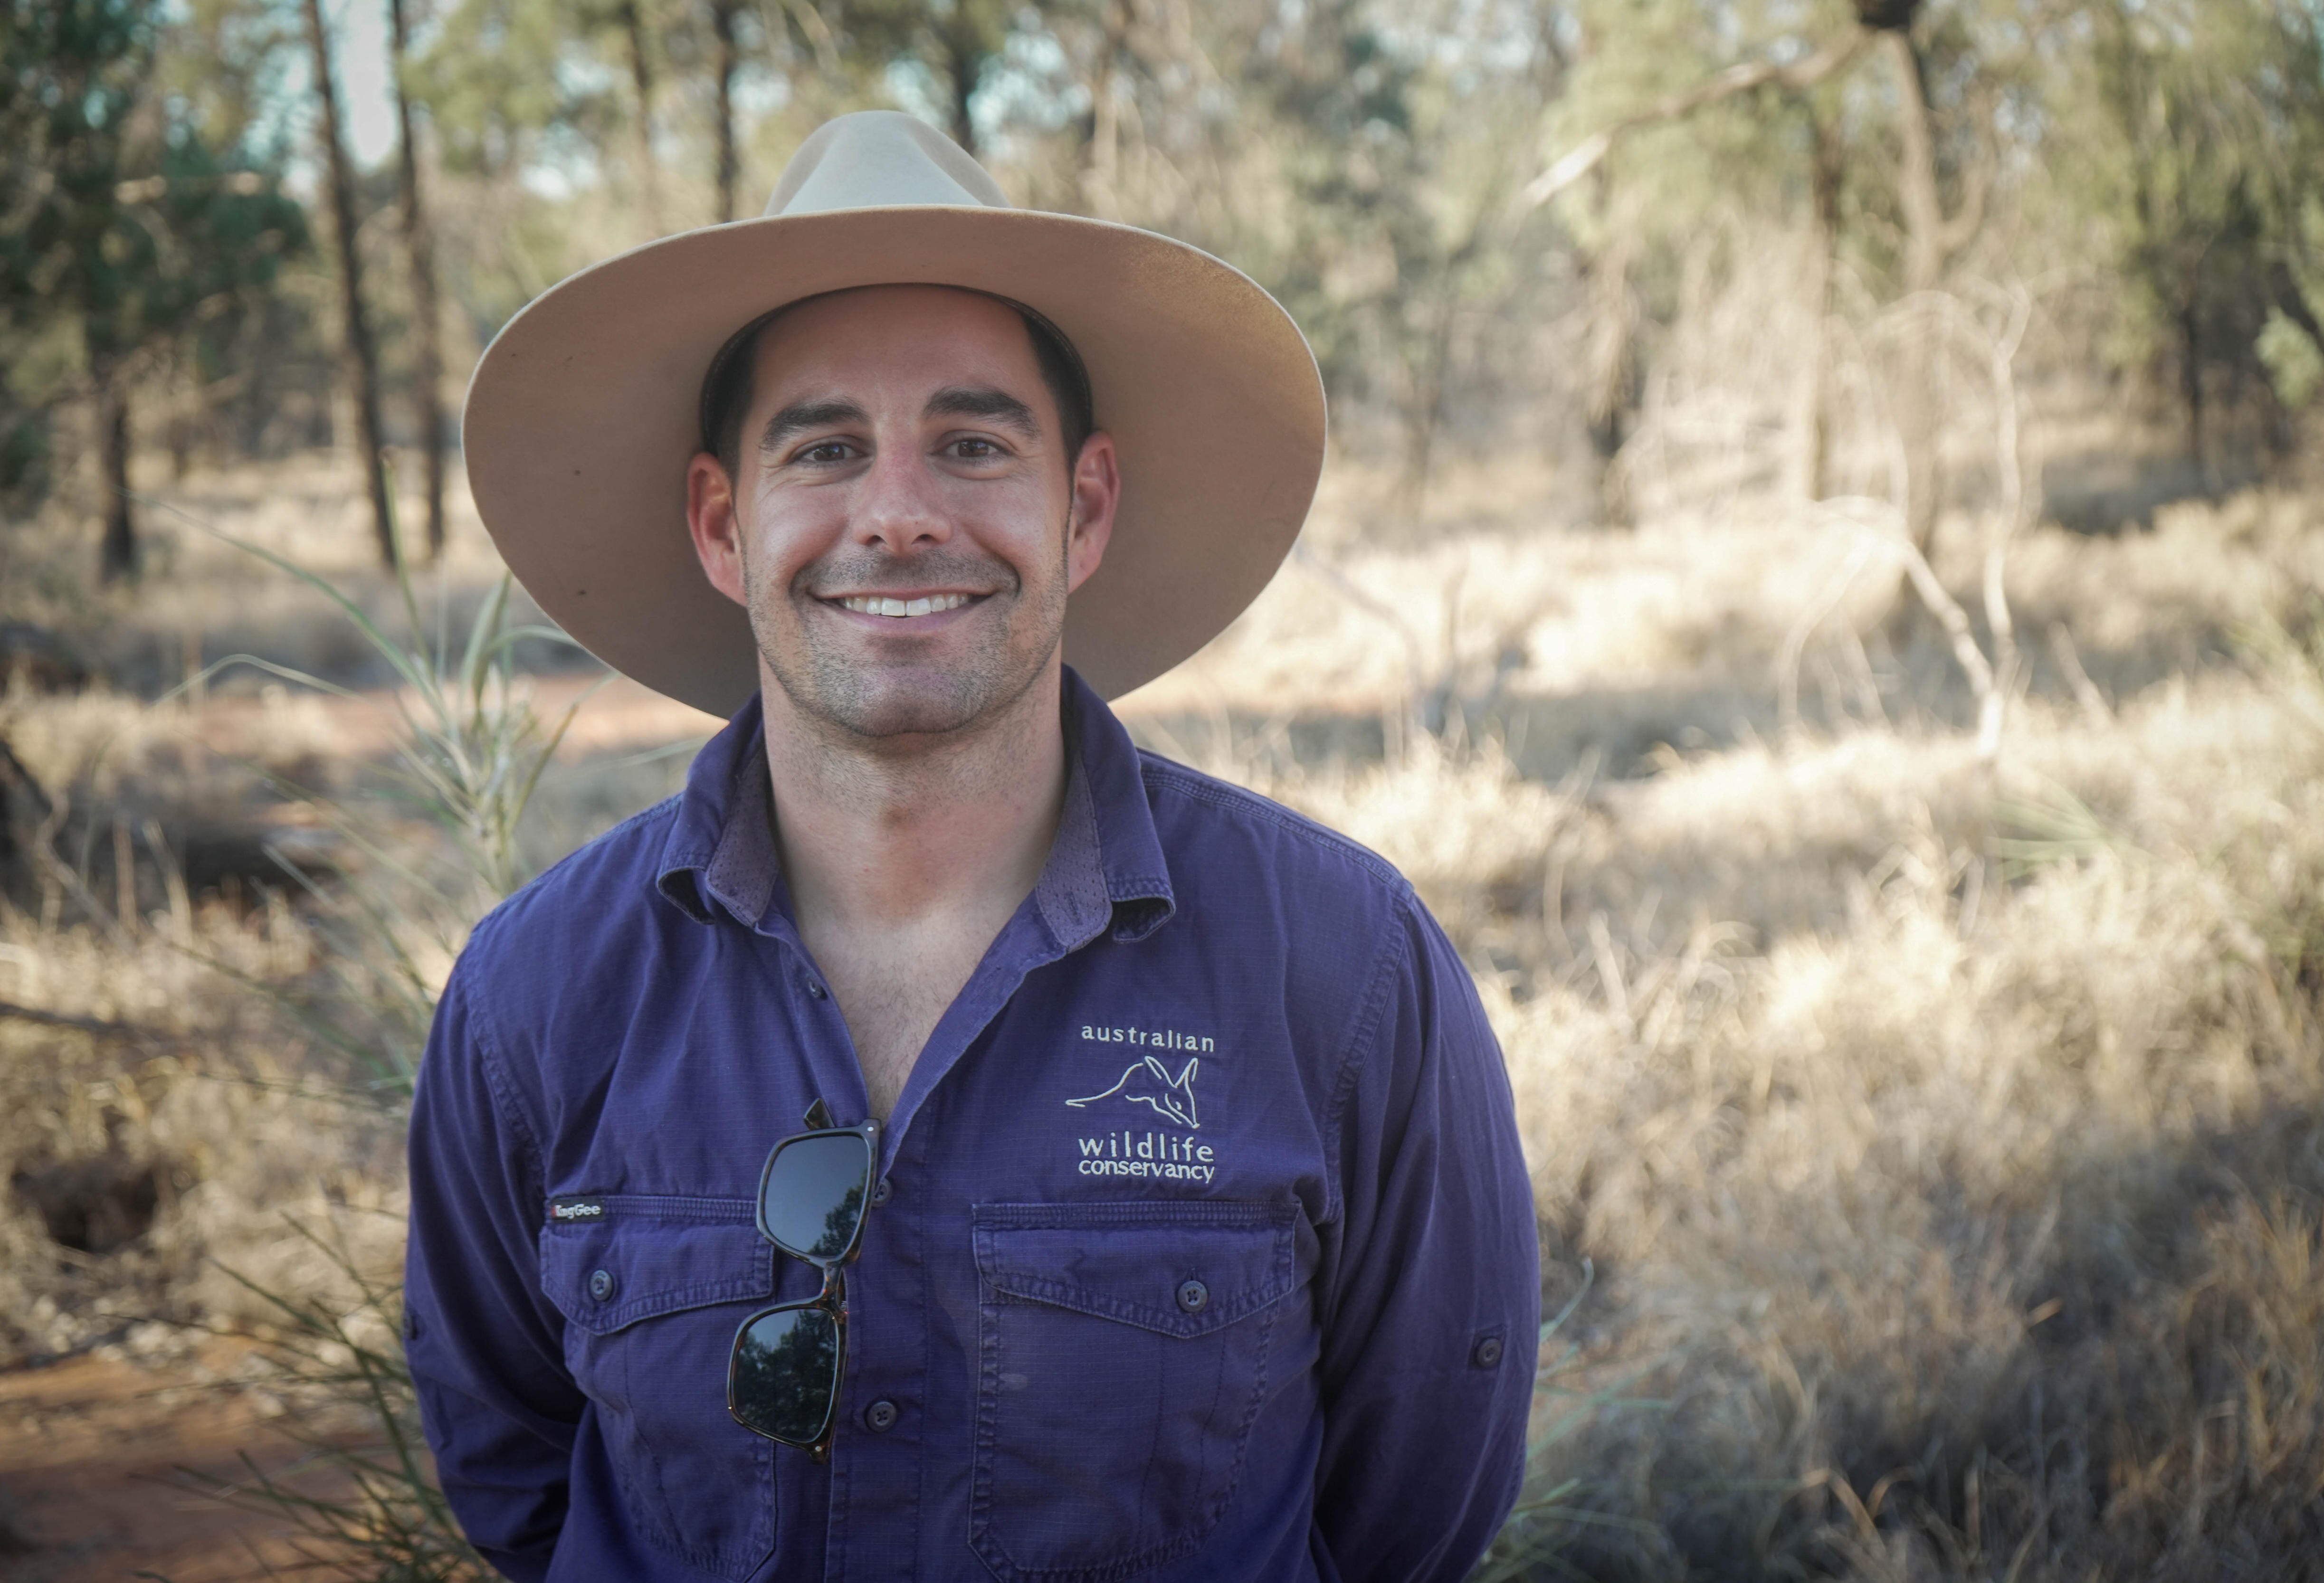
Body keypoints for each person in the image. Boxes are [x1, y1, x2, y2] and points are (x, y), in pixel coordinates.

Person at [402, 110, 1537, 1583]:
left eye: (974, 444)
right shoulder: (539, 994)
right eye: (825, 449)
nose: (898, 515)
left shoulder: (1342, 969)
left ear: (1083, 509)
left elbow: (1412, 1514)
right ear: (723, 524)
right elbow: (517, 1478)